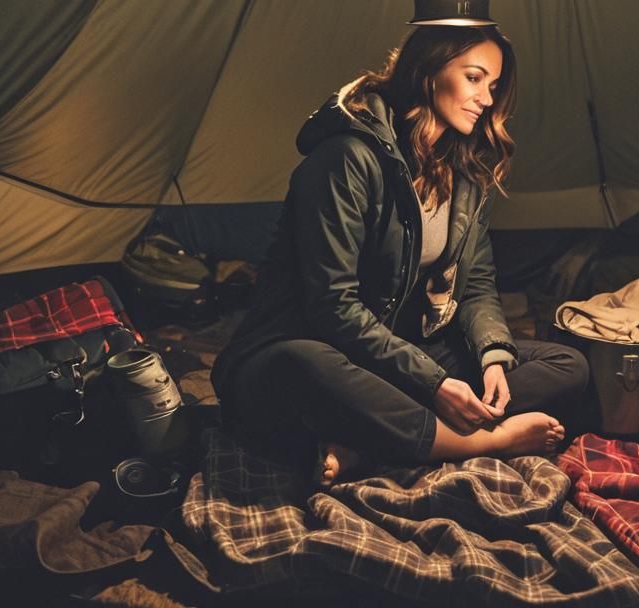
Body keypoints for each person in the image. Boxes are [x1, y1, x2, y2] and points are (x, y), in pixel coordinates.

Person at [211, 24, 589, 485]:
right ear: (429, 72)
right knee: (302, 364)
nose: (486, 100)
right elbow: (333, 309)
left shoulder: (464, 171)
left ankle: (369, 444)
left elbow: (476, 286)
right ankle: (483, 441)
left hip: (395, 352)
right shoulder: (346, 159)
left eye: (492, 86)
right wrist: (433, 383)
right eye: (474, 78)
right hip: (306, 352)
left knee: (567, 366)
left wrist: (492, 354)